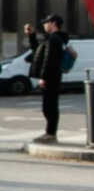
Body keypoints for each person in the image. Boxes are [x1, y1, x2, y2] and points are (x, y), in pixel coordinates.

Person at [24, 15, 70, 144]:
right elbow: (37, 51)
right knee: (49, 104)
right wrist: (31, 35)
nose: (44, 25)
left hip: (51, 76)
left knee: (49, 106)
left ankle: (51, 133)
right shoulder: (54, 39)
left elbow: (49, 60)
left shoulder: (54, 39)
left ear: (53, 23)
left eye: (46, 22)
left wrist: (44, 78)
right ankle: (50, 133)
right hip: (53, 75)